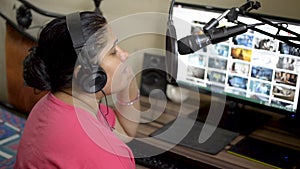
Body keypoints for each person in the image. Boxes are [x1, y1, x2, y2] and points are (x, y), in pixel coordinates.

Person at [14, 11, 140, 169]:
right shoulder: (110, 156)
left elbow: (125, 132)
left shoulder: (53, 103)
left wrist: (127, 83)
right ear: (85, 73)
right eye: (113, 52)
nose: (125, 55)